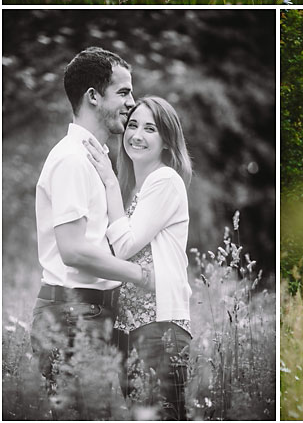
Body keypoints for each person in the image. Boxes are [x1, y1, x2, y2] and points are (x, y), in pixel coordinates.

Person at [31, 47, 152, 405]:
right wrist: (139, 274)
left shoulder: (92, 156)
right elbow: (72, 249)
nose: (132, 102)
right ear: (93, 97)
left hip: (90, 312)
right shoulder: (71, 159)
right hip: (73, 315)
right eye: (124, 92)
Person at [84, 96, 193, 421]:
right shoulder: (137, 190)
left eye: (150, 128)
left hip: (159, 327)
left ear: (166, 141)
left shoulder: (165, 181)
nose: (136, 135)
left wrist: (108, 181)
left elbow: (125, 245)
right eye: (132, 125)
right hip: (129, 327)